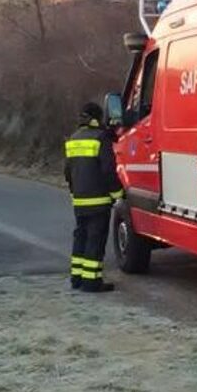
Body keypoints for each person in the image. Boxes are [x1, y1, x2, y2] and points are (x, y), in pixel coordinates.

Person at [65, 102, 123, 293]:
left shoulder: (72, 139)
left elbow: (68, 171)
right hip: (99, 201)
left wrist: (74, 192)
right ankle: (91, 281)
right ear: (97, 118)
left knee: (80, 236)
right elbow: (108, 170)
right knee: (95, 240)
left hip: (79, 201)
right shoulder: (100, 138)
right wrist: (118, 193)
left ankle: (77, 277)